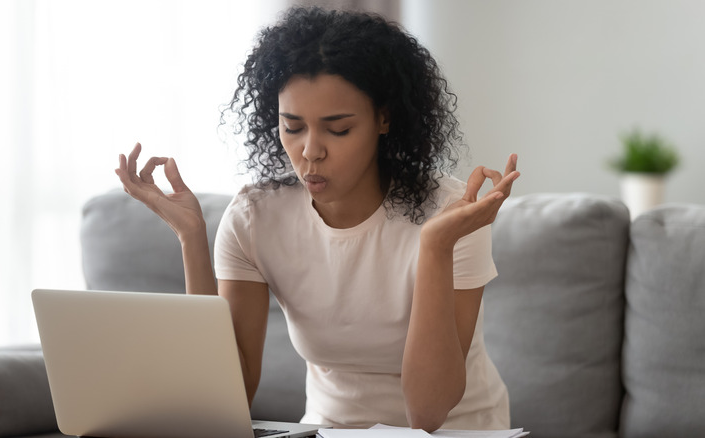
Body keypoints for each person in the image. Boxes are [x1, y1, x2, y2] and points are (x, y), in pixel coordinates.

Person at [115, 6, 519, 433]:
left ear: (384, 119)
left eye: (338, 129)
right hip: (326, 429)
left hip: (459, 431)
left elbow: (427, 413)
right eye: (292, 127)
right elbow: (223, 395)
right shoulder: (255, 218)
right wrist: (191, 238)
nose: (310, 151)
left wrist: (435, 247)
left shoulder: (452, 212)